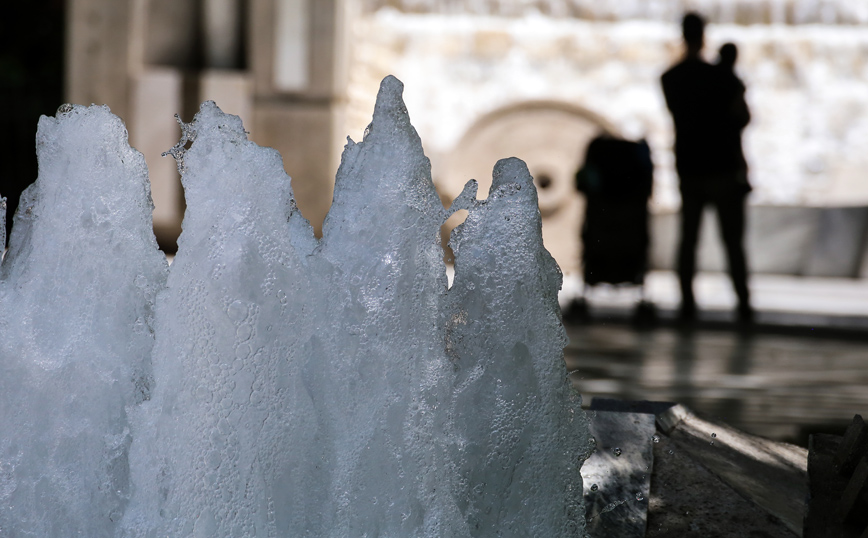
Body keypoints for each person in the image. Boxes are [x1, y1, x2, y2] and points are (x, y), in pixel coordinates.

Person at [661, 13, 753, 323]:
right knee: (733, 242)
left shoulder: (670, 78)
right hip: (725, 168)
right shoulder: (722, 77)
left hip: (690, 167)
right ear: (703, 36)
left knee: (688, 240)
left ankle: (687, 306)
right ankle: (743, 305)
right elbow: (742, 118)